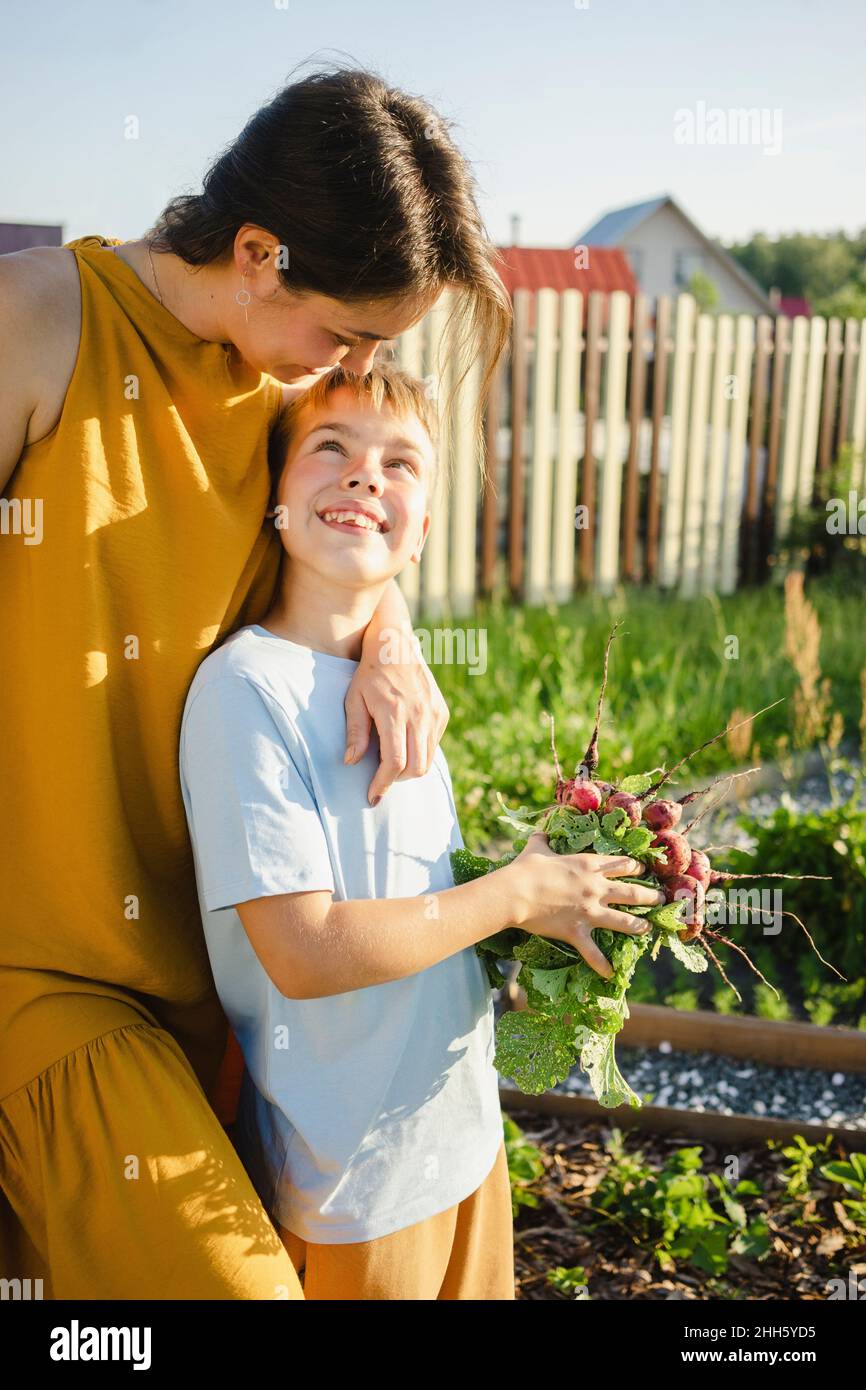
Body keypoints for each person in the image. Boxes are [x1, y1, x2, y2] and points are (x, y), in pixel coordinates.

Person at [0, 63, 512, 1299]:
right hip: (49, 976)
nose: (346, 366)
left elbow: (347, 529)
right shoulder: (37, 320)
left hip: (218, 981)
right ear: (256, 251)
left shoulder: (279, 390)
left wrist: (388, 625)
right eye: (348, 332)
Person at [178, 362, 666, 1300]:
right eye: (331, 449)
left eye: (401, 463)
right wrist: (511, 893)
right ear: (273, 499)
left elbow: (420, 904)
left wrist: (542, 910)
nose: (366, 476)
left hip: (463, 1141)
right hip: (350, 1179)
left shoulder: (403, 691)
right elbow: (307, 954)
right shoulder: (244, 691)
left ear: (422, 536)